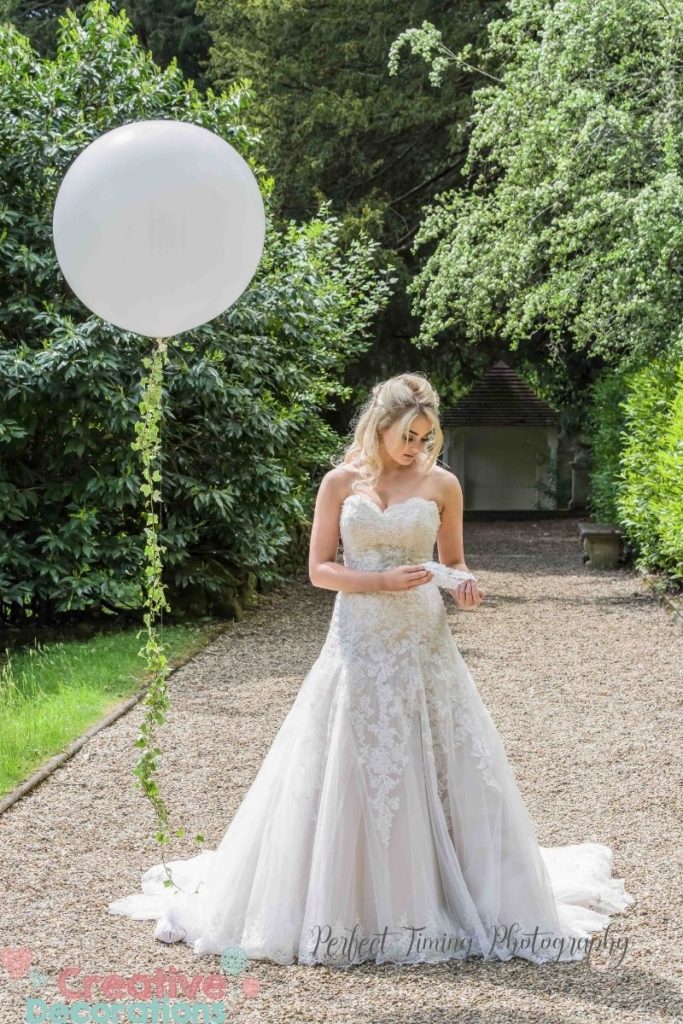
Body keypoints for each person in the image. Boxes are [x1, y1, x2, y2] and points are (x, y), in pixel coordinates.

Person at [108, 372, 634, 967]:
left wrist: (464, 587)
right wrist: (379, 581)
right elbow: (319, 570)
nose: (416, 447)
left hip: (421, 638)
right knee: (349, 753)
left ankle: (440, 887)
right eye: (408, 436)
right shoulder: (339, 483)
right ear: (380, 426)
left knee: (431, 753)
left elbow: (454, 562)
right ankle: (340, 896)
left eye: (426, 437)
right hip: (357, 637)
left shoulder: (443, 485)